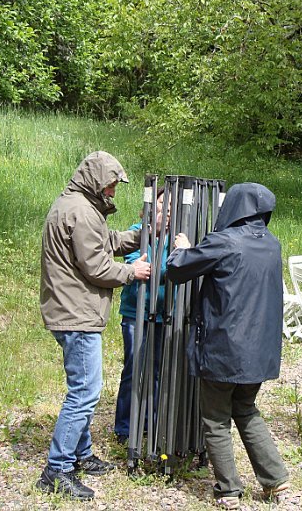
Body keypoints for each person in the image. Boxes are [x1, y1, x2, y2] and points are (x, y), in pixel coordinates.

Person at [166, 182, 290, 510]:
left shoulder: (224, 241)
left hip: (224, 350)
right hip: (258, 353)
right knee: (246, 410)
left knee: (216, 418)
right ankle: (276, 480)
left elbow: (177, 269)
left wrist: (182, 248)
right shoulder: (272, 244)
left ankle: (228, 491)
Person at [37, 151, 151, 500]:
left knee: (83, 388)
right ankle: (57, 470)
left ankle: (81, 454)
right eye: (111, 185)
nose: (113, 191)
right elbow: (97, 267)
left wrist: (141, 235)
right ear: (96, 181)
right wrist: (132, 271)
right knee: (85, 392)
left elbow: (107, 242)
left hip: (72, 310)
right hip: (77, 314)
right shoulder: (82, 211)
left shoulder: (78, 206)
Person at [114, 187, 169, 445]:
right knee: (134, 369)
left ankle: (150, 423)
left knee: (157, 370)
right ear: (151, 206)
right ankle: (125, 427)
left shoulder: (178, 238)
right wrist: (172, 269)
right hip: (136, 313)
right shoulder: (138, 232)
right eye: (162, 203)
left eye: (171, 206)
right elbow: (138, 267)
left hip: (164, 314)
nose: (166, 209)